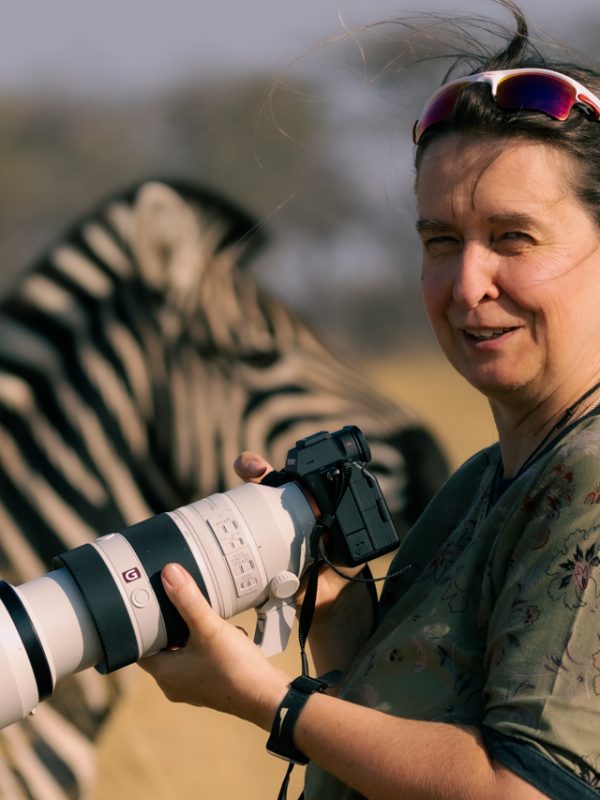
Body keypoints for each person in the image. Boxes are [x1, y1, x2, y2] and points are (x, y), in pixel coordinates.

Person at [140, 2, 600, 797]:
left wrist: (269, 702)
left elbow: (524, 790)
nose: (467, 286)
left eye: (514, 238)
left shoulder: (587, 485)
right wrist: (332, 607)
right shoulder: (484, 485)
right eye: (440, 241)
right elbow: (414, 734)